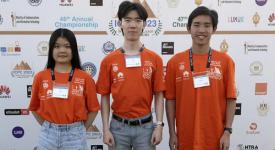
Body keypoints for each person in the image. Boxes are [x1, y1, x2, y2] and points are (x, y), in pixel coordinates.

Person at [165, 6, 237, 150]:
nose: (201, 30)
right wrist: (172, 133)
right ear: (188, 28)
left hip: (215, 138)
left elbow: (231, 99)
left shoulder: (226, 61)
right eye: (196, 25)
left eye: (207, 25)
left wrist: (227, 132)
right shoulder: (174, 62)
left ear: (214, 29)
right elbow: (170, 100)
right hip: (185, 138)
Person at [96, 1, 165, 150]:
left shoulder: (155, 59)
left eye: (138, 20)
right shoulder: (109, 60)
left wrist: (159, 125)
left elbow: (159, 95)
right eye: (127, 20)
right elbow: (105, 96)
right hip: (118, 128)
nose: (132, 25)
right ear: (120, 23)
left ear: (144, 24)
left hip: (146, 128)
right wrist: (106, 129)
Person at [28, 28, 100, 150]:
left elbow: (93, 109)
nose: (62, 50)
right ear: (51, 49)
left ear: (74, 50)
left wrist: (80, 129)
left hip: (75, 136)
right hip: (47, 136)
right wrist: (48, 127)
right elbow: (34, 107)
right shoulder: (40, 77)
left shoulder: (85, 78)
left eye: (67, 46)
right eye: (57, 46)